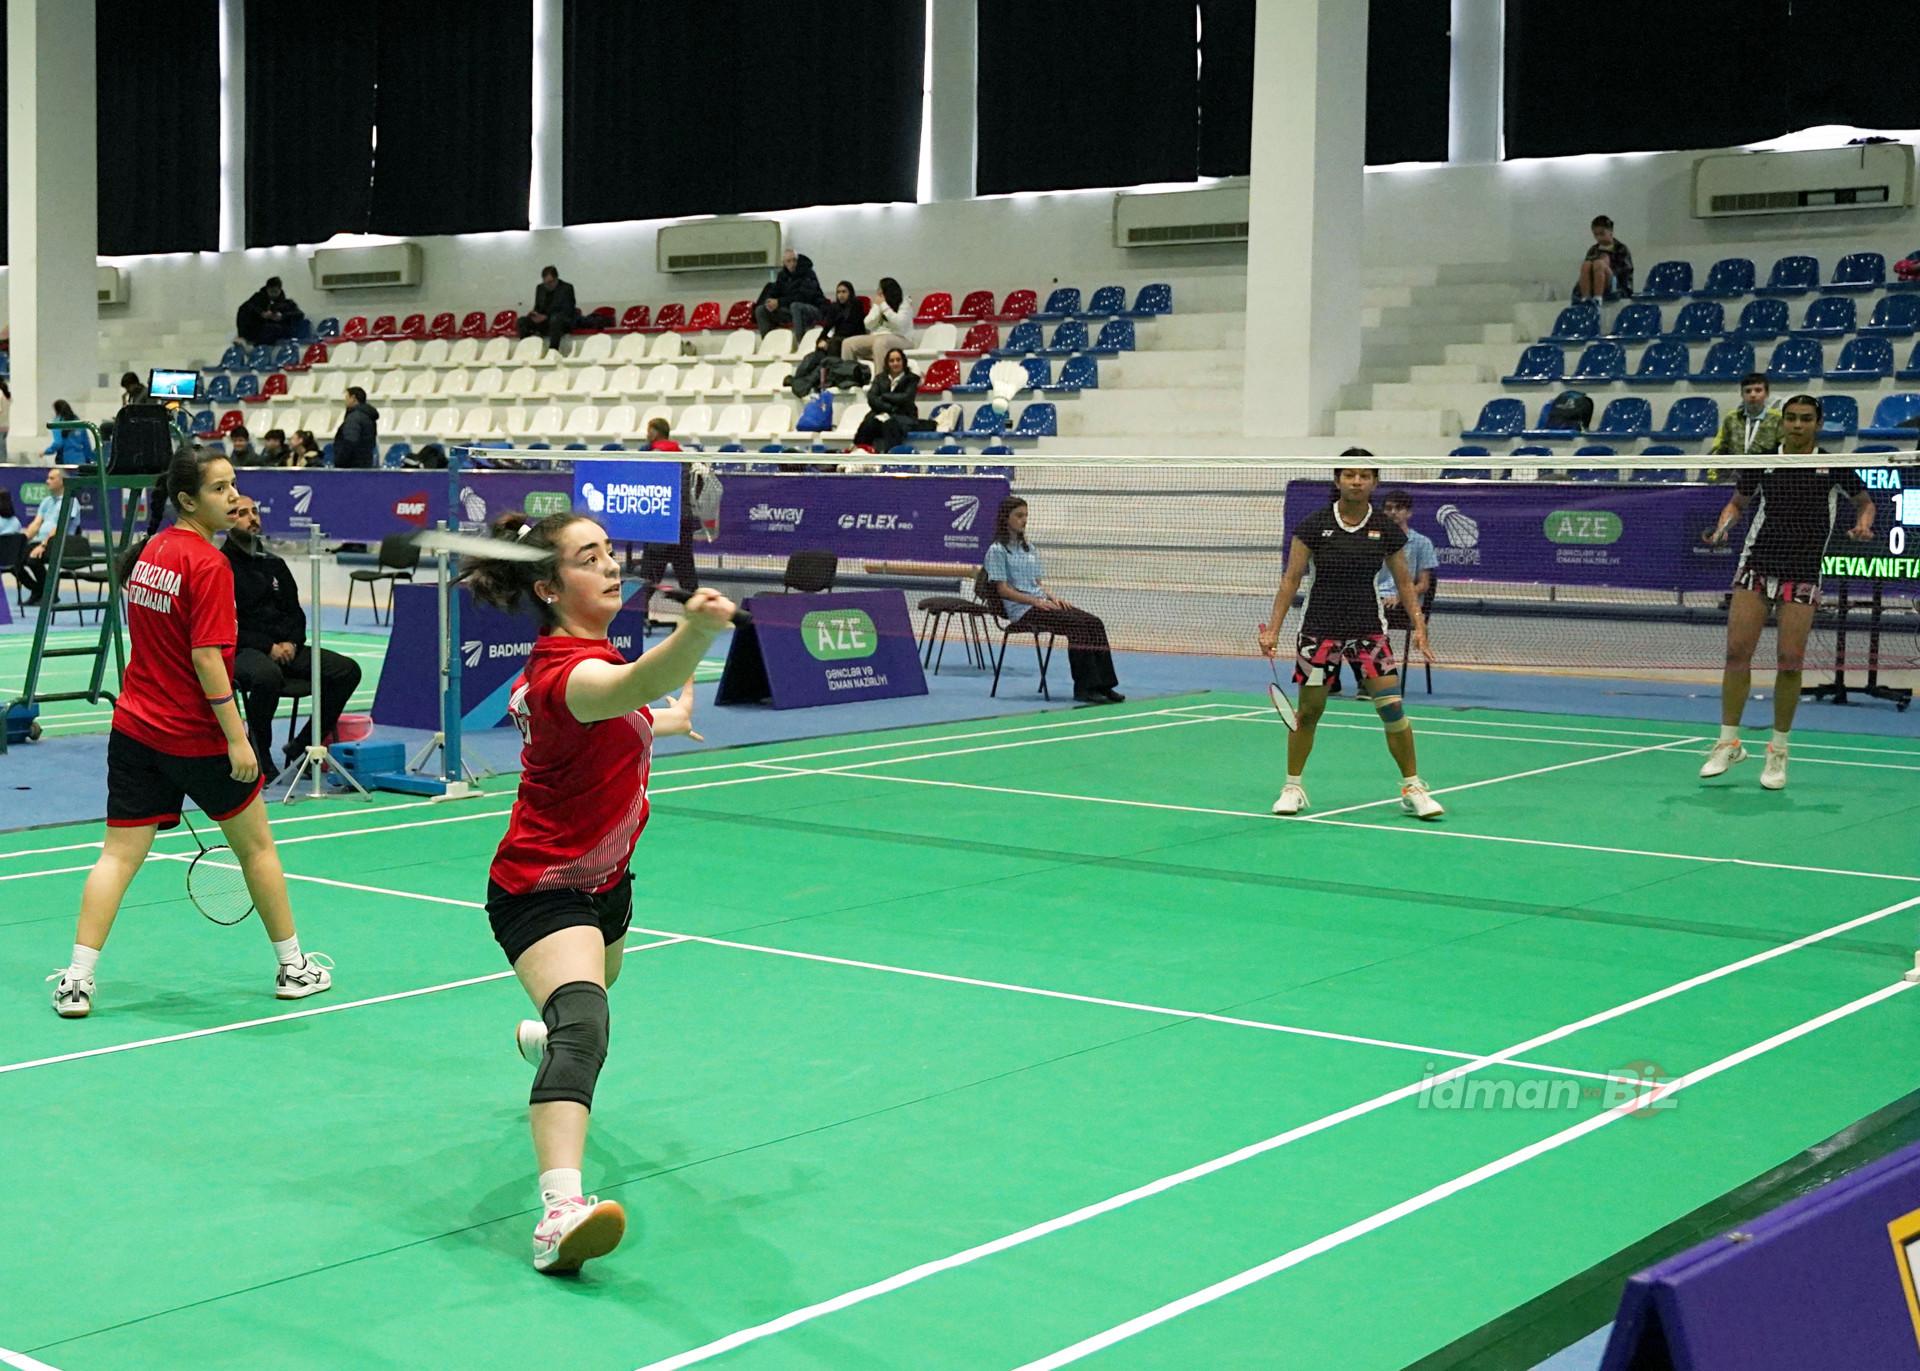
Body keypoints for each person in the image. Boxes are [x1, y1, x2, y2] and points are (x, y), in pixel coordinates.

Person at [464, 510, 734, 1273]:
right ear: (549, 588)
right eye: (589, 556)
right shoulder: (566, 673)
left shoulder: (589, 658)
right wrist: (696, 633)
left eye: (610, 550)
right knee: (586, 1023)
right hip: (541, 885)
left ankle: (544, 1041)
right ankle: (558, 1214)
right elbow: (630, 686)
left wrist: (670, 716)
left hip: (608, 880)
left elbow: (632, 703)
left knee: (589, 997)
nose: (612, 564)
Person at [47, 448, 332, 1019]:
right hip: (196, 736)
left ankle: (76, 980)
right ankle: (293, 967)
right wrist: (238, 738)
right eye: (219, 489)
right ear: (187, 500)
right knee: (256, 849)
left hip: (135, 727)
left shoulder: (151, 551)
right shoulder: (209, 564)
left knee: (116, 858)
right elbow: (207, 659)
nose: (234, 497)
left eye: (234, 485)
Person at [1699, 394, 1873, 790]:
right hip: (1757, 566)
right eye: (1791, 418)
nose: (1797, 425)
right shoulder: (1765, 460)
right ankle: (1728, 743)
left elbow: (1865, 503)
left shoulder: (1832, 465)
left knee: (1790, 661)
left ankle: (1778, 751)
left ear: (1818, 424)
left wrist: (1863, 524)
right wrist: (1724, 527)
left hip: (1803, 573)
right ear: (1783, 423)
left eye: (1805, 419)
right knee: (1736, 654)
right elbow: (1737, 504)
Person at [1258, 465, 1441, 819]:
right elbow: (1291, 579)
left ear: (1374, 482)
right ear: (1338, 480)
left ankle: (1413, 788)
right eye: (1350, 475)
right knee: (1308, 713)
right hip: (1319, 632)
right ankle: (1292, 787)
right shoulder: (1313, 525)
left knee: (1392, 709)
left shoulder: (1385, 528)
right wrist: (1273, 629)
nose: (1357, 481)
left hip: (1368, 632)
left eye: (1364, 476)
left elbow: (1405, 583)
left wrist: (1419, 625)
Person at [225, 494, 364, 786]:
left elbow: (295, 613)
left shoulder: (274, 563)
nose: (253, 518)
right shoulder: (221, 566)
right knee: (267, 676)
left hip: (286, 649)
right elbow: (228, 623)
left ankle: (303, 745)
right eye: (243, 513)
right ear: (228, 521)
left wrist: (292, 643)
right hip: (244, 650)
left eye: (255, 511)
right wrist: (267, 647)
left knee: (347, 670)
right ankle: (259, 750)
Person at [984, 495, 1123, 704]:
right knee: (1078, 626)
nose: (1024, 520)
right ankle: (1084, 688)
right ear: (1006, 518)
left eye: (1026, 515)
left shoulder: (1028, 548)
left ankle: (1105, 685)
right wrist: (1034, 601)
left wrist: (1055, 598)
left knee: (1094, 623)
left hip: (1042, 603)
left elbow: (1038, 583)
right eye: (1019, 516)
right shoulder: (997, 550)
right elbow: (1003, 590)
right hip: (1023, 610)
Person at [15, 465, 83, 605]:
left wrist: (43, 544)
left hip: (61, 544)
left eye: (51, 478)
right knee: (14, 558)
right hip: (42, 542)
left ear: (62, 481)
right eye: (48, 478)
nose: (47, 481)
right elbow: (36, 524)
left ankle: (50, 594)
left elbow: (60, 527)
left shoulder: (71, 501)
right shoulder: (47, 501)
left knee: (33, 559)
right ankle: (37, 589)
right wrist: (20, 541)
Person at [852, 347, 919, 453]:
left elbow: (906, 398)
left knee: (891, 425)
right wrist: (889, 408)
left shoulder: (912, 379)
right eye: (891, 360)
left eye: (898, 360)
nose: (895, 363)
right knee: (869, 423)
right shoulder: (880, 378)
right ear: (887, 363)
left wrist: (884, 396)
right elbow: (872, 398)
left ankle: (890, 456)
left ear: (903, 361)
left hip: (903, 416)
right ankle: (860, 452)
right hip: (881, 414)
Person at [754, 248, 827, 339]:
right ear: (784, 263)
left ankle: (800, 341)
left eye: (794, 260)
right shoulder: (782, 275)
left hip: (814, 309)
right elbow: (774, 292)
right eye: (789, 261)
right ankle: (768, 341)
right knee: (761, 310)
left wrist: (779, 302)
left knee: (795, 306)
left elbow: (803, 297)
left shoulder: (808, 273)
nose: (792, 264)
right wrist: (770, 302)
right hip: (790, 309)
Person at [841, 278, 914, 369]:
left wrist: (884, 306)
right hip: (877, 336)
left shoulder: (904, 303)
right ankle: (848, 375)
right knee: (847, 343)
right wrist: (877, 308)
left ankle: (880, 376)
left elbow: (899, 324)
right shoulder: (879, 303)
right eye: (878, 290)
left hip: (901, 338)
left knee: (880, 343)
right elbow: (868, 324)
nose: (878, 293)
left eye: (880, 290)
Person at [1711, 373, 1782, 457]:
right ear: (1742, 395)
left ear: (1767, 394)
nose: (1753, 395)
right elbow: (1721, 447)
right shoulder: (1731, 418)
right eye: (1748, 391)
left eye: (1758, 390)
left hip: (1766, 464)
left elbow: (1783, 447)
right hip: (1735, 464)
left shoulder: (1777, 418)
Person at [519, 266, 580, 352]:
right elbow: (538, 307)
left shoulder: (567, 288)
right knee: (522, 321)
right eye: (546, 283)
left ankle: (553, 350)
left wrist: (546, 316)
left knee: (555, 319)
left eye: (551, 282)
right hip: (544, 320)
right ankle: (526, 349)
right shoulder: (540, 288)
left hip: (561, 320)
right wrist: (535, 314)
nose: (548, 285)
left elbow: (568, 310)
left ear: (556, 279)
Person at [1576, 216, 1633, 302]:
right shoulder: (1593, 250)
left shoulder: (1621, 249)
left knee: (1599, 264)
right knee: (1586, 265)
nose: (1599, 238)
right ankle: (1585, 298)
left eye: (1602, 234)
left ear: (1611, 230)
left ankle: (1598, 298)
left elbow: (1627, 272)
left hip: (1615, 283)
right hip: (1594, 283)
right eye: (1596, 235)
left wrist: (1608, 265)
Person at [235, 276, 305, 346]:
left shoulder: (286, 304)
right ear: (267, 290)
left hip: (277, 331)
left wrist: (282, 316)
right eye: (271, 292)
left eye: (275, 292)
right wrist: (261, 313)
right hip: (258, 331)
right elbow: (246, 309)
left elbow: (299, 314)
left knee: (278, 329)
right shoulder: (256, 301)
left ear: (280, 290)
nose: (273, 295)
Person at [818, 280, 867, 354]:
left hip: (854, 338)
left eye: (844, 292)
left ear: (850, 293)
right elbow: (827, 326)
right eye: (838, 292)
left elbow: (851, 328)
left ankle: (832, 361)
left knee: (833, 343)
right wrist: (822, 340)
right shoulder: (834, 307)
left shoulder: (857, 305)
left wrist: (829, 340)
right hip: (838, 339)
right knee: (819, 350)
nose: (841, 295)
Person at [332, 387, 378, 468]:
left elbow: (349, 442)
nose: (345, 400)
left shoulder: (354, 418)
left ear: (353, 398)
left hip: (351, 465)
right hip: (365, 462)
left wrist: (340, 461)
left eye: (347, 397)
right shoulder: (369, 416)